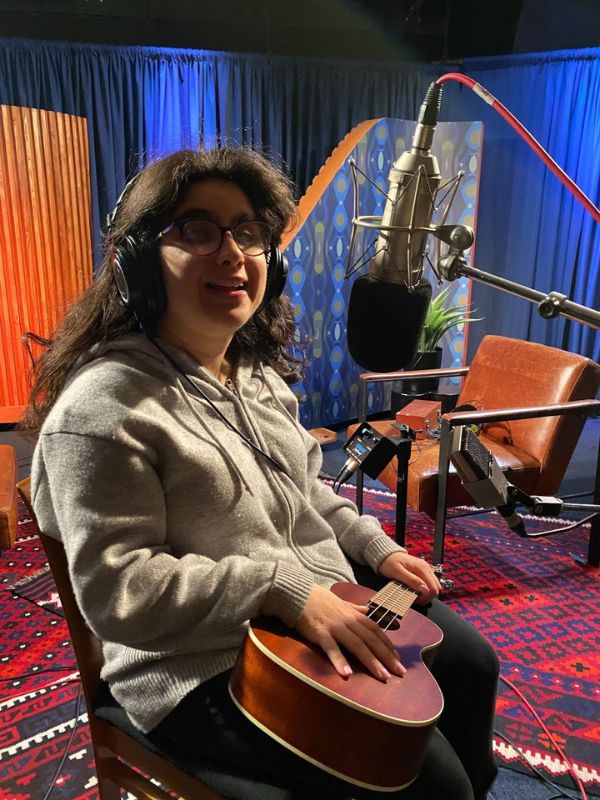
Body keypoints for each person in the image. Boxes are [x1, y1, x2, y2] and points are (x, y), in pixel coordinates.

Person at [24, 147, 498, 800]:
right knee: (431, 781)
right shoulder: (104, 408)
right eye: (197, 229)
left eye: (248, 232)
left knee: (471, 664)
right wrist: (282, 589)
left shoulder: (257, 379)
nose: (232, 252)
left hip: (306, 605)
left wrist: (375, 549)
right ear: (136, 261)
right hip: (193, 664)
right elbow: (121, 594)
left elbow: (305, 494)